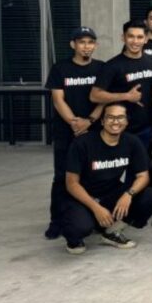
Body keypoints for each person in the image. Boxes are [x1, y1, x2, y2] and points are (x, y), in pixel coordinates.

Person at [61, 103, 152, 254]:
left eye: (120, 117)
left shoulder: (132, 142)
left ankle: (111, 232)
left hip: (111, 194)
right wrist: (96, 208)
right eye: (110, 117)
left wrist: (128, 194)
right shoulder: (82, 143)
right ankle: (74, 239)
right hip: (84, 197)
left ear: (126, 121)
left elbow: (143, 176)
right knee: (80, 228)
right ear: (102, 121)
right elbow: (71, 184)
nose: (115, 122)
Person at [43, 27, 105, 239]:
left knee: (92, 175)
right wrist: (74, 123)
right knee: (62, 177)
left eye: (90, 42)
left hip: (93, 131)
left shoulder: (101, 68)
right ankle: (57, 221)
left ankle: (89, 217)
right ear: (73, 45)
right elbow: (58, 99)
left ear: (95, 45)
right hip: (66, 132)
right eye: (82, 42)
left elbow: (104, 99)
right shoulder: (60, 68)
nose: (86, 46)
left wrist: (90, 121)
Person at [91, 20, 152, 146]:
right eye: (131, 36)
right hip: (120, 129)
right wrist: (126, 96)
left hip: (146, 128)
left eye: (140, 37)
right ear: (123, 38)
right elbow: (94, 95)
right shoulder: (112, 65)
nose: (135, 41)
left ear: (146, 39)